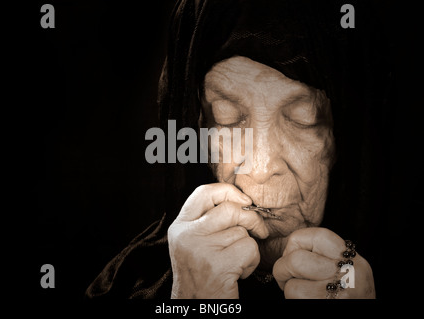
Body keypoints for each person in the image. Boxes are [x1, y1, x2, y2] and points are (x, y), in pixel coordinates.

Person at [86, 0, 391, 299]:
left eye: (303, 119)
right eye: (227, 118)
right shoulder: (127, 285)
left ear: (347, 139)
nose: (259, 169)